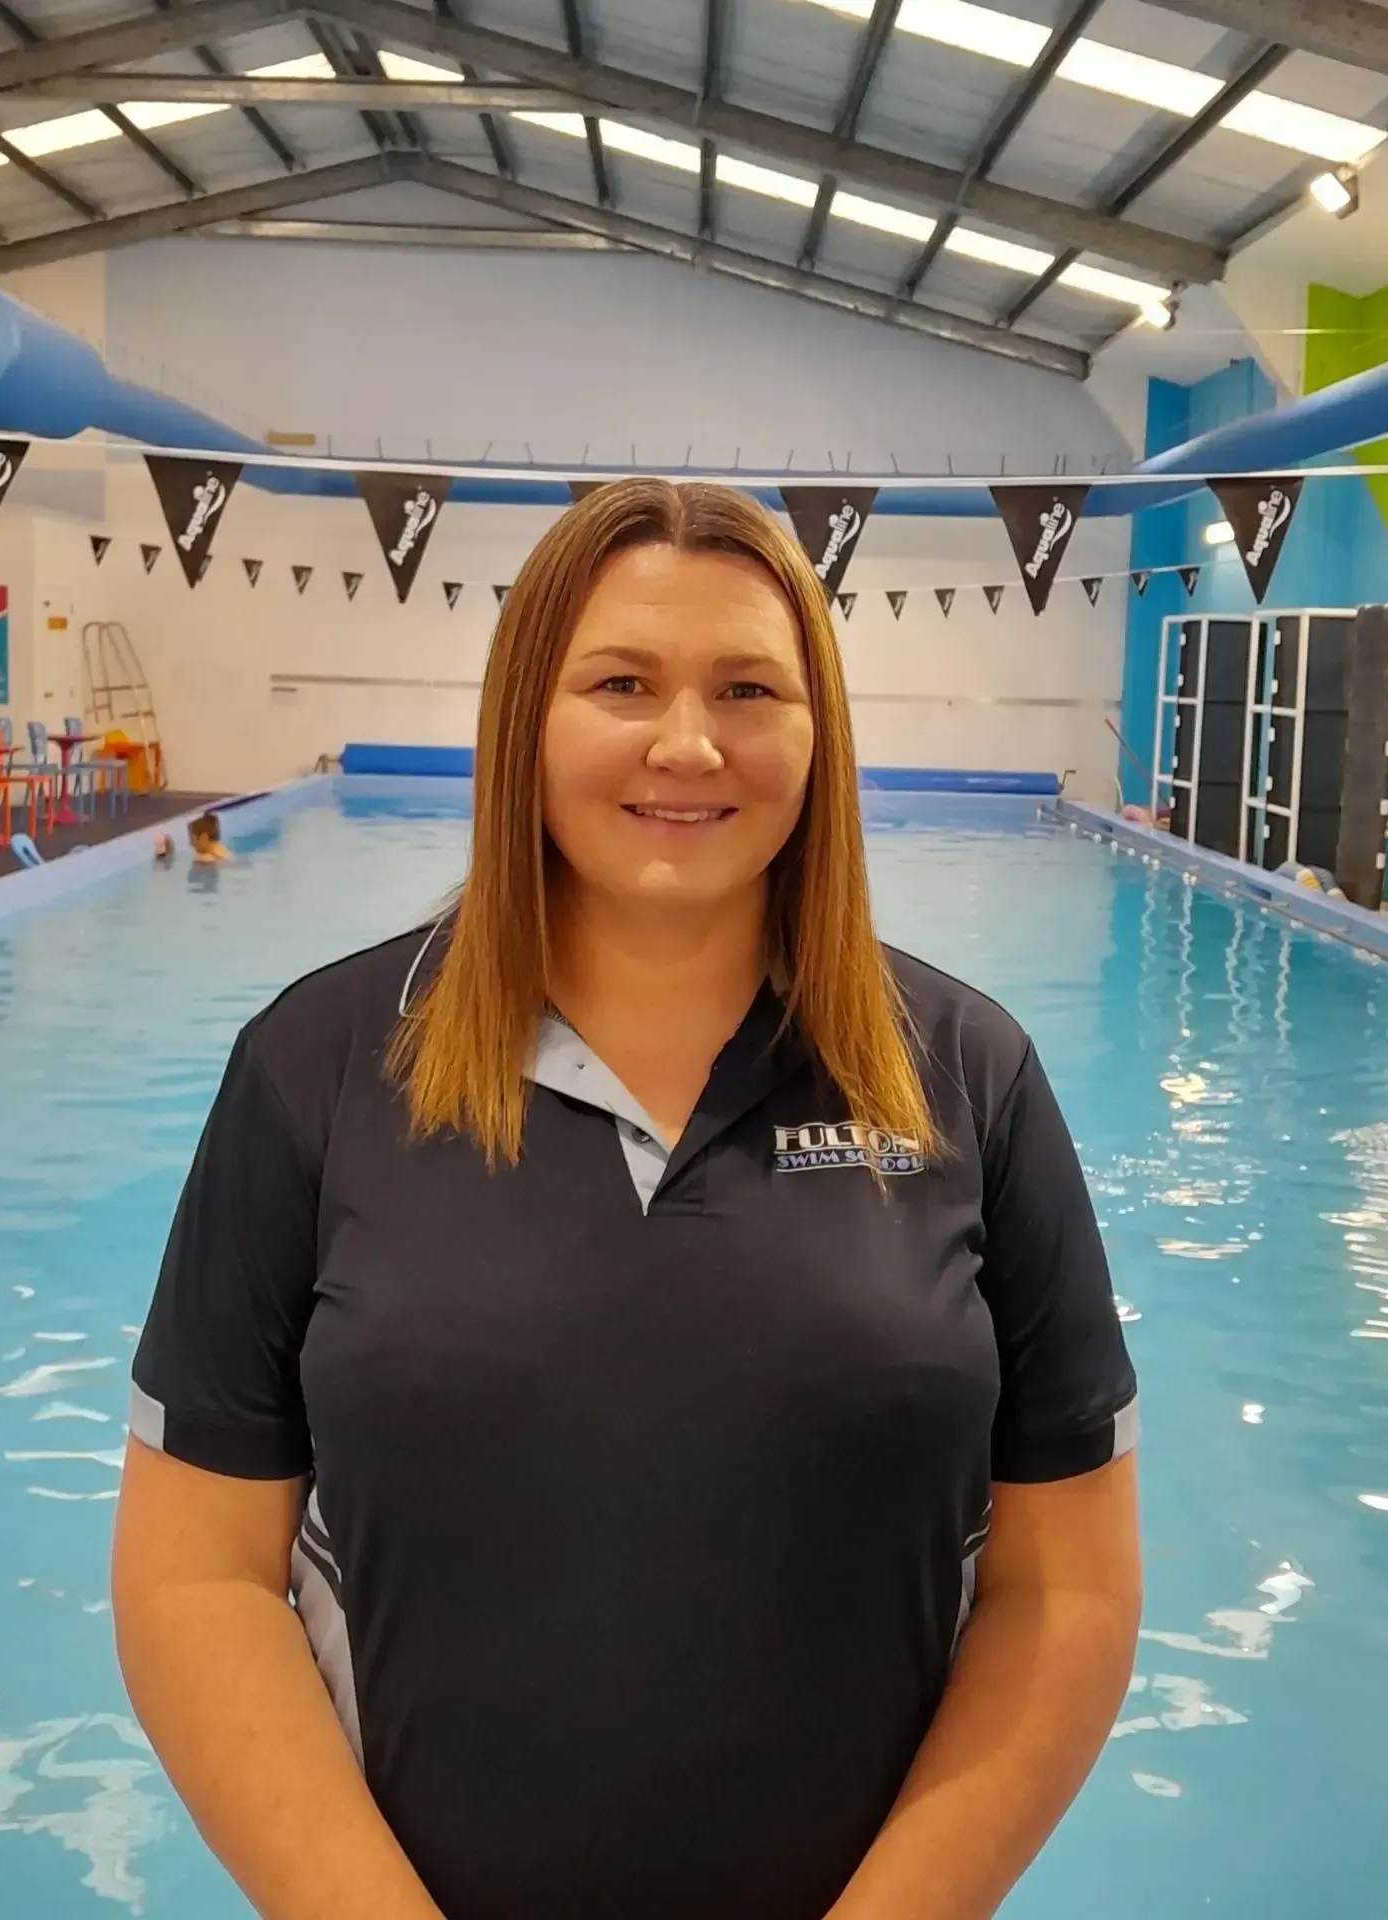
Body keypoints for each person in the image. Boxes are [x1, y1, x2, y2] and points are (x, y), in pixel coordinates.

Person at [115, 479, 1140, 1920]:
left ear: (816, 734)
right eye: (621, 683)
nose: (686, 742)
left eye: (747, 688)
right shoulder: (323, 1067)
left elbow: (1066, 1587)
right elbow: (196, 1576)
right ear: (528, 714)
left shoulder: (963, 1075)